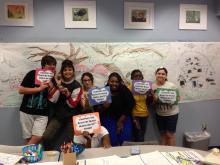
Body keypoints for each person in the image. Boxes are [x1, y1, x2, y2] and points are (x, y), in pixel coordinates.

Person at [43, 59, 82, 149]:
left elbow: (72, 105)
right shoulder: (57, 82)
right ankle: (49, 156)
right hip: (58, 116)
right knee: (46, 137)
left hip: (71, 117)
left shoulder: (77, 86)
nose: (67, 72)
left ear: (73, 71)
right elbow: (53, 99)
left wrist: (68, 94)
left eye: (70, 69)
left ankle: (70, 160)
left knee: (71, 141)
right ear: (62, 71)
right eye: (65, 70)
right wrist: (58, 87)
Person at [18, 55, 57, 145]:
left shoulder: (53, 79)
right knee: (28, 138)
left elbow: (54, 99)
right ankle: (30, 157)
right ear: (43, 65)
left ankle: (24, 154)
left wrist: (52, 85)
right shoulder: (32, 73)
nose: (52, 66)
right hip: (26, 112)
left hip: (42, 114)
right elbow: (21, 90)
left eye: (54, 64)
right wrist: (39, 89)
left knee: (38, 136)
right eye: (49, 64)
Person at [100, 72, 135, 146]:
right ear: (108, 81)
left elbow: (131, 104)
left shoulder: (124, 90)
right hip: (108, 118)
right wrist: (104, 107)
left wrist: (121, 120)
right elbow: (97, 109)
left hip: (124, 117)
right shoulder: (103, 92)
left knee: (125, 140)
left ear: (119, 82)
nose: (114, 84)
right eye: (112, 81)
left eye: (116, 82)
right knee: (111, 140)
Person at [152, 67, 180, 146]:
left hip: (171, 114)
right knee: (163, 135)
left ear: (166, 76)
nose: (161, 75)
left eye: (163, 74)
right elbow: (152, 103)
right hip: (159, 114)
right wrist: (155, 100)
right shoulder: (153, 86)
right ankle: (163, 153)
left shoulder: (171, 85)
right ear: (156, 74)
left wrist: (169, 100)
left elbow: (178, 98)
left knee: (169, 135)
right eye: (159, 73)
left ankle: (172, 154)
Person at [128, 69, 150, 142]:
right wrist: (134, 118)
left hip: (145, 115)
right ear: (132, 78)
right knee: (138, 136)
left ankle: (141, 152)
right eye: (135, 76)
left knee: (142, 135)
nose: (138, 78)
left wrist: (150, 94)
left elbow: (148, 102)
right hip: (135, 115)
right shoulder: (129, 88)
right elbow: (129, 105)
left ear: (142, 77)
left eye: (140, 76)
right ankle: (137, 152)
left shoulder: (146, 86)